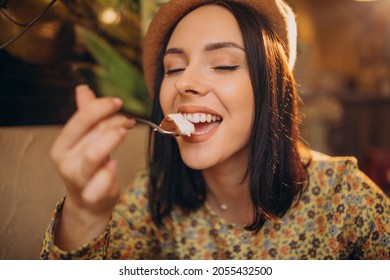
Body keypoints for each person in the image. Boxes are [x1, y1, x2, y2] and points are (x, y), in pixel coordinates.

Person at [40, 0, 390, 260]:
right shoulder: (152, 198)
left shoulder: (344, 198)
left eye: (223, 64)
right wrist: (84, 214)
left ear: (272, 88)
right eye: (174, 68)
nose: (185, 83)